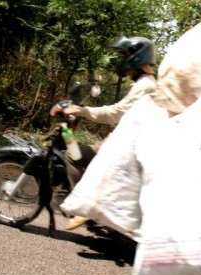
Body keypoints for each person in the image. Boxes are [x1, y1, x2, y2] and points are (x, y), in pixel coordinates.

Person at [50, 36, 157, 230]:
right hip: (126, 144)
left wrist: (82, 110)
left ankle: (86, 207)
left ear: (136, 59)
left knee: (73, 155)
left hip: (126, 149)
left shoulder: (145, 86)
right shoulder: (145, 83)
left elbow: (115, 113)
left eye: (124, 56)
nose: (121, 61)